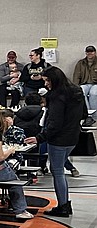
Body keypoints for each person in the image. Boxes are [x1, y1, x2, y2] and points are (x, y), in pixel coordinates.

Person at [25, 66, 87, 217]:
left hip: (58, 139)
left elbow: (54, 123)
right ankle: (65, 204)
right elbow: (84, 113)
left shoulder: (56, 96)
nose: (45, 84)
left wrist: (39, 138)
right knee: (59, 170)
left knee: (57, 172)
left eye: (47, 80)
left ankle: (63, 205)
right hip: (73, 137)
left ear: (54, 79)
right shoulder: (77, 91)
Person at [73, 45, 97, 126]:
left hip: (95, 84)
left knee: (94, 94)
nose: (90, 53)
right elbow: (76, 75)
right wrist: (75, 87)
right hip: (84, 83)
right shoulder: (81, 63)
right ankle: (87, 115)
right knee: (82, 92)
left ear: (95, 52)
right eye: (88, 52)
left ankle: (94, 116)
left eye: (91, 52)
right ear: (86, 53)